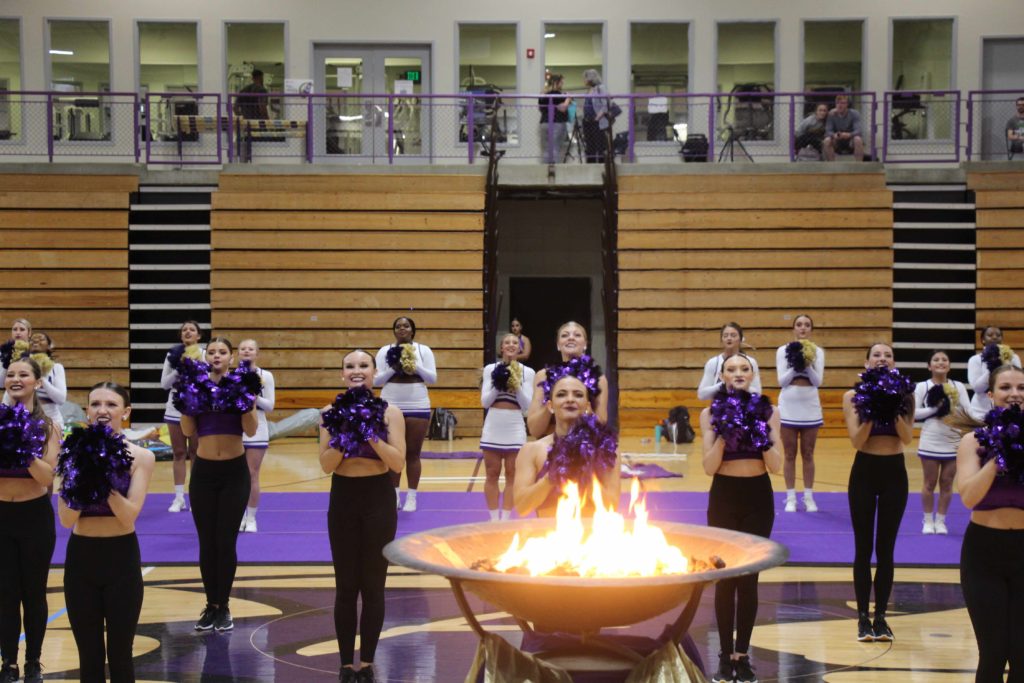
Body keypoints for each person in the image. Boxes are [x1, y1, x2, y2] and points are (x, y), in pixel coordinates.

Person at [57, 382, 155, 683]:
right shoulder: (71, 454)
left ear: (125, 412)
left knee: (121, 655)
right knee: (89, 657)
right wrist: (83, 473)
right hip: (81, 559)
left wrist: (101, 480)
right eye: (95, 404)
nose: (102, 410)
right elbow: (66, 518)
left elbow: (128, 517)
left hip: (121, 558)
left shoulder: (141, 457)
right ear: (87, 411)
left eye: (111, 405)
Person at [320, 350, 406, 683]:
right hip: (343, 499)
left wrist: (370, 434)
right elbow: (326, 465)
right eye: (350, 366)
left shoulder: (391, 413)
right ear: (343, 374)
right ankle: (345, 665)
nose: (356, 371)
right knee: (345, 586)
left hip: (378, 500)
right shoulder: (329, 413)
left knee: (373, 586)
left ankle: (367, 663)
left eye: (363, 366)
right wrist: (346, 434)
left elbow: (397, 463)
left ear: (374, 373)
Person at [700, 354, 782, 683]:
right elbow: (708, 467)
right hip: (724, 496)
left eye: (744, 369)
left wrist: (758, 431)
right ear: (722, 375)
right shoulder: (709, 413)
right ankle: (723, 654)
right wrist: (723, 432)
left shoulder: (769, 410)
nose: (737, 373)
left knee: (749, 579)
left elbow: (775, 465)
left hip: (758, 497)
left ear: (752, 375)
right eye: (731, 369)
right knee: (725, 577)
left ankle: (743, 655)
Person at [179, 337, 259, 632]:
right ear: (205, 357)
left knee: (225, 541)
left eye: (222, 352)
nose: (216, 355)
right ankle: (210, 605)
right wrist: (188, 401)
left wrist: (245, 401)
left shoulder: (242, 384)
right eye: (211, 351)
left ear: (231, 357)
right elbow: (188, 431)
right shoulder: (196, 386)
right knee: (207, 542)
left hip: (234, 473)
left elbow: (250, 431)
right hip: (204, 472)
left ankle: (223, 605)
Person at [955, 364, 1024, 682]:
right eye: (1006, 387)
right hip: (984, 552)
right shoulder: (973, 441)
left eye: (1021, 388)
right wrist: (999, 458)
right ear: (991, 394)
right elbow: (968, 496)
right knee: (994, 652)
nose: (1014, 394)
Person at [842, 343, 914, 643]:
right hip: (864, 472)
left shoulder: (906, 395)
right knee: (863, 548)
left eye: (887, 355)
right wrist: (873, 410)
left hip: (894, 474)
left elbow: (907, 438)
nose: (882, 359)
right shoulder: (852, 396)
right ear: (867, 361)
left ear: (893, 362)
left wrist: (893, 407)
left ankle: (881, 617)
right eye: (877, 355)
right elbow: (857, 441)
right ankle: (862, 618)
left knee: (886, 550)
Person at [0, 357, 61, 683]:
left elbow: (46, 476)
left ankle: (34, 662)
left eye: (23, 374)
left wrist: (21, 446)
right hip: (1, 517)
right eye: (10, 374)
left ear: (37, 382)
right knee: (5, 593)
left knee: (33, 592)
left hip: (34, 517)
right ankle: (7, 663)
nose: (15, 379)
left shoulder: (48, 426)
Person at [514, 374, 620, 518]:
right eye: (562, 394)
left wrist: (586, 476)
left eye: (578, 395)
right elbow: (522, 507)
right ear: (550, 406)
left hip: (592, 538)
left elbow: (611, 505)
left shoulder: (607, 448)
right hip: (547, 537)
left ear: (588, 406)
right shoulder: (532, 450)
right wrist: (551, 477)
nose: (570, 399)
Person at [374, 316, 436, 512]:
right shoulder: (385, 351)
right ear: (394, 331)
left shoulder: (423, 350)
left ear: (412, 330)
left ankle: (412, 496)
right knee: (393, 452)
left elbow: (432, 378)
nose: (402, 329)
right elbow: (376, 381)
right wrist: (395, 367)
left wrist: (413, 365)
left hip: (417, 403)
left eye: (406, 326)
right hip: (391, 402)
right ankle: (393, 495)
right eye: (398, 326)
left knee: (412, 453)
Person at [480, 334, 535, 521]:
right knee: (492, 472)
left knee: (512, 473)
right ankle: (494, 519)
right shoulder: (490, 369)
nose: (511, 345)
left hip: (515, 425)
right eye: (507, 342)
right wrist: (498, 382)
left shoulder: (528, 372)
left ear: (519, 348)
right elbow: (485, 402)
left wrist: (516, 384)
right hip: (494, 424)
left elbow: (527, 404)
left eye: (515, 343)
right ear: (501, 348)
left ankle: (505, 519)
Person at [913, 350, 969, 535]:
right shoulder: (923, 386)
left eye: (944, 359)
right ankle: (927, 520)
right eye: (936, 359)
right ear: (929, 366)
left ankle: (941, 520)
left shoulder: (958, 386)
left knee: (947, 482)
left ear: (949, 365)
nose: (941, 362)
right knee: (929, 482)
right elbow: (913, 413)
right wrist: (936, 408)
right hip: (931, 439)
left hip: (952, 440)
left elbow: (968, 411)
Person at [526, 321, 609, 439]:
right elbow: (534, 430)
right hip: (551, 447)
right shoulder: (543, 376)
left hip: (584, 445)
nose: (571, 338)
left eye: (577, 335)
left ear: (585, 344)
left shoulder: (598, 379)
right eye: (565, 335)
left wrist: (584, 408)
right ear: (558, 345)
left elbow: (601, 426)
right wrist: (552, 399)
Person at [776, 315, 824, 512]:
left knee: (808, 453)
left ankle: (809, 496)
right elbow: (782, 381)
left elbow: (818, 381)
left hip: (810, 403)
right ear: (793, 328)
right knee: (789, 453)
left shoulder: (818, 351)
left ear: (811, 329)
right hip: (789, 403)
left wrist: (807, 365)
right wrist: (796, 366)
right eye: (799, 325)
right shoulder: (782, 350)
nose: (803, 328)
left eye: (807, 325)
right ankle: (790, 497)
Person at [161, 320, 204, 513]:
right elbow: (164, 384)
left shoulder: (204, 354)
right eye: (184, 330)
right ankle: (179, 498)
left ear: (199, 335)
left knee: (196, 452)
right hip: (175, 407)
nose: (188, 332)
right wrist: (180, 368)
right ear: (181, 336)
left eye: (192, 329)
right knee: (179, 453)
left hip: (196, 406)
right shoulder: (172, 355)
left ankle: (196, 496)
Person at [238, 339, 275, 533]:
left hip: (258, 425)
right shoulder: (231, 375)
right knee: (235, 475)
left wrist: (253, 396)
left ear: (257, 353)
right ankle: (237, 515)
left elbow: (270, 406)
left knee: (252, 473)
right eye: (242, 348)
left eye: (250, 349)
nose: (246, 351)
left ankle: (251, 517)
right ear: (237, 353)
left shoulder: (265, 375)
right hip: (234, 426)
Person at [967, 326, 1022, 420]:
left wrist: (1006, 361)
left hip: (1007, 408)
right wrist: (991, 367)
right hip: (981, 412)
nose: (995, 337)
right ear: (983, 340)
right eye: (990, 335)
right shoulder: (975, 359)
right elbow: (977, 388)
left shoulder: (1013, 357)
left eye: (998, 335)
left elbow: (1019, 381)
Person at [698, 323, 762, 401]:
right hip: (720, 410)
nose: (729, 338)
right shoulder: (713, 363)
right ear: (721, 340)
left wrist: (742, 385)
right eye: (725, 336)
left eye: (733, 335)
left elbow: (758, 393)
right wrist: (724, 384)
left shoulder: (750, 362)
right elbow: (701, 395)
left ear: (741, 339)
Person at [27, 332, 67, 434]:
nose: (36, 341)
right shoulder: (21, 366)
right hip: (26, 422)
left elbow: (61, 399)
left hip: (52, 422)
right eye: (32, 339)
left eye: (41, 339)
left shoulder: (56, 368)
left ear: (49, 346)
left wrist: (42, 379)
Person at [539, 74, 570, 164]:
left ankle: (545, 171)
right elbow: (563, 108)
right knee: (555, 147)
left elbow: (540, 108)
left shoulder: (543, 95)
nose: (562, 85)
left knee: (546, 149)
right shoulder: (558, 95)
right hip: (557, 123)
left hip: (544, 122)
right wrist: (568, 98)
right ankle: (554, 171)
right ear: (557, 83)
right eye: (561, 83)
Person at [824, 94, 864, 161]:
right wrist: (834, 135)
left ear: (847, 104)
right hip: (837, 140)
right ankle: (832, 166)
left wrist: (849, 134)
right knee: (827, 140)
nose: (840, 105)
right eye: (837, 103)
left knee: (858, 139)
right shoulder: (831, 114)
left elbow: (858, 130)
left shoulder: (854, 113)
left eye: (842, 103)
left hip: (850, 140)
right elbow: (828, 130)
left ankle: (859, 165)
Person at [581, 68, 610, 163]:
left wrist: (597, 118)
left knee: (600, 146)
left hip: (597, 122)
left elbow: (605, 105)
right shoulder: (590, 90)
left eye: (585, 78)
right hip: (587, 121)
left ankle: (602, 167)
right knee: (589, 146)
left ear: (590, 78)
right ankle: (590, 165)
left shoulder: (601, 88)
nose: (584, 80)